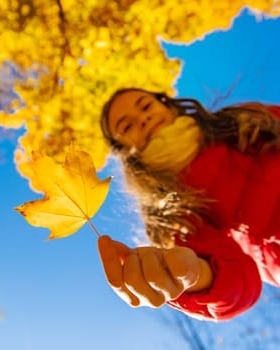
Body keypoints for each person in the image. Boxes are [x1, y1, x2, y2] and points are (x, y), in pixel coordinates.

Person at [96, 87, 280, 321]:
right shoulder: (170, 213)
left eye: (145, 106)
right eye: (127, 126)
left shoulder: (243, 118)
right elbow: (239, 281)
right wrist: (190, 276)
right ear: (123, 150)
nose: (143, 119)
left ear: (167, 105)